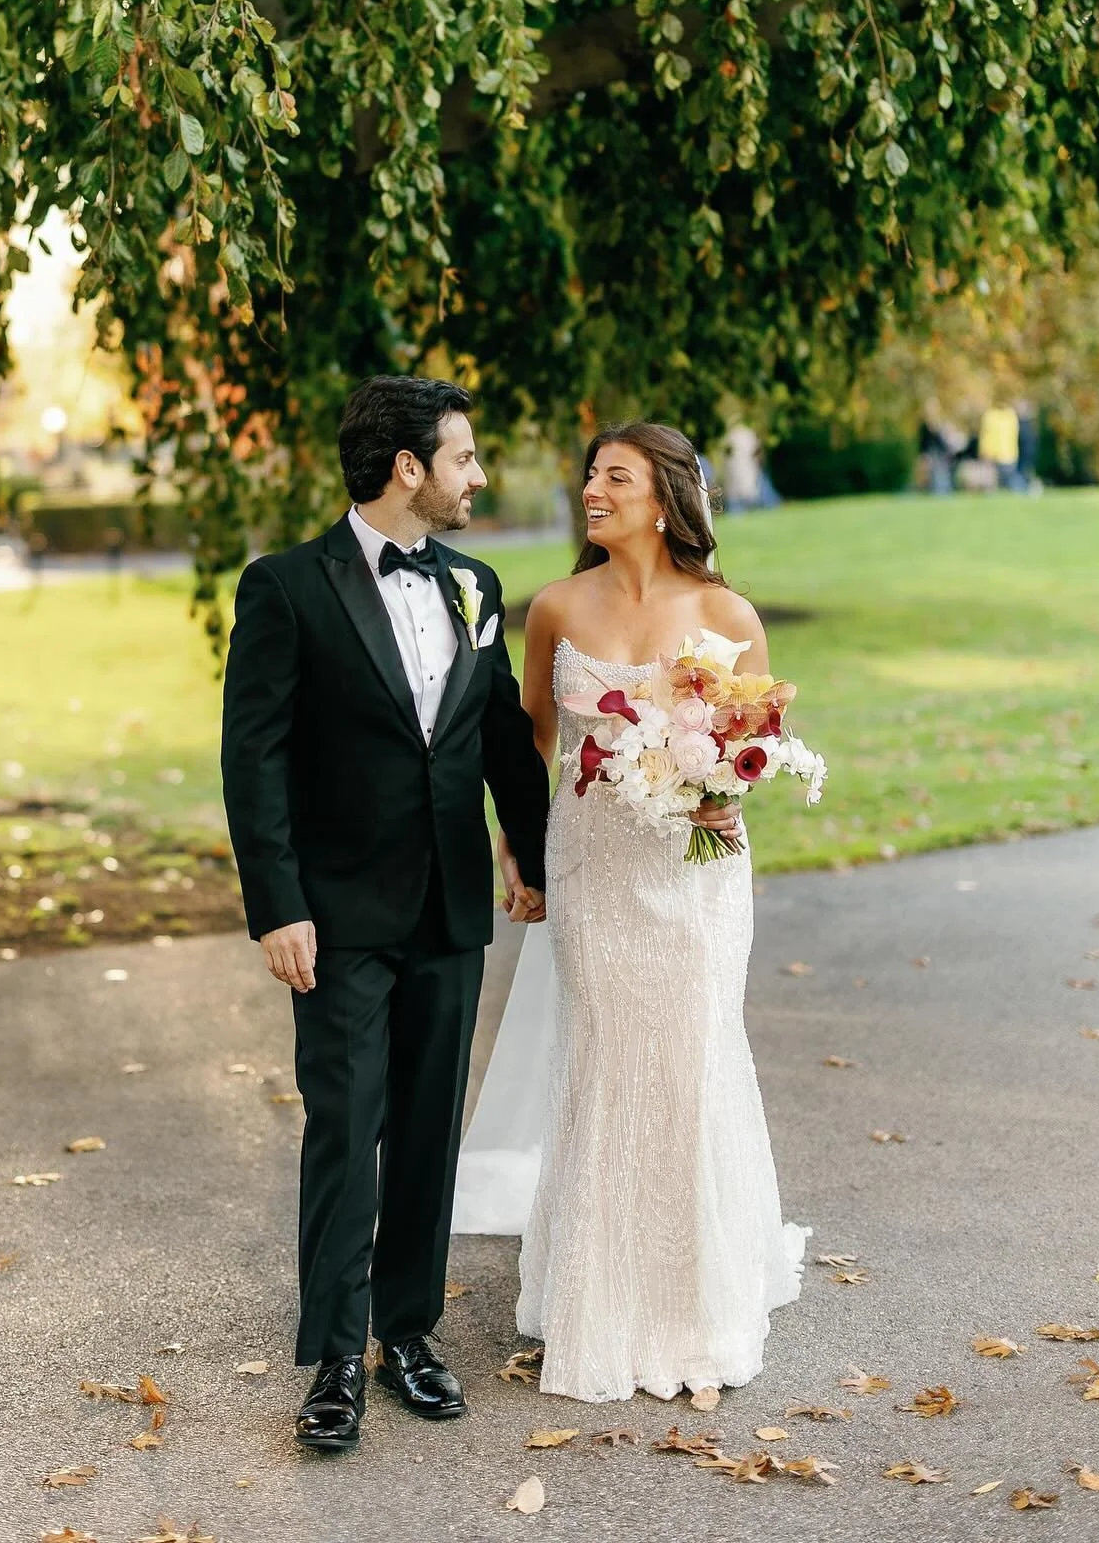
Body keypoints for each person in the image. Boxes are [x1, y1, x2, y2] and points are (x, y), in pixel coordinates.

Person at [220, 375, 552, 1453]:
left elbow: (499, 734)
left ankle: (409, 1334)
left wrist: (532, 853)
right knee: (345, 1121)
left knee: (423, 1131)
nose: (478, 476)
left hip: (451, 906)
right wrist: (278, 906)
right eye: (464, 457)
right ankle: (333, 1357)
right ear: (408, 468)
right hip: (339, 914)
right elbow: (254, 758)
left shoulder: (476, 582)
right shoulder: (285, 587)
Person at [488, 420, 808, 1403]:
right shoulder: (553, 609)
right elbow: (533, 746)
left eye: (613, 476)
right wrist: (521, 855)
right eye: (589, 474)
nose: (592, 488)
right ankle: (603, 1298)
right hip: (593, 869)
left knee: (689, 1055)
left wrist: (728, 792)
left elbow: (755, 742)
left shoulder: (728, 612)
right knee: (607, 1057)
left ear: (664, 498)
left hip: (695, 878)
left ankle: (694, 1304)